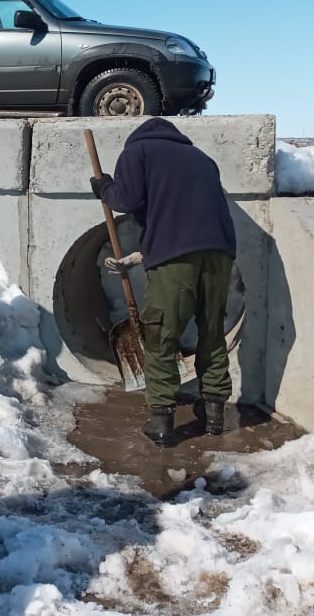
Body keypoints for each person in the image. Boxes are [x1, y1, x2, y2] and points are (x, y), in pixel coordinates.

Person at [90, 117, 237, 447]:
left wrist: (104, 189)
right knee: (212, 330)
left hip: (175, 262)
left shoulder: (137, 153)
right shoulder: (202, 159)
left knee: (161, 336)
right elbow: (179, 215)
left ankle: (161, 422)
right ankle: (213, 413)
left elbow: (125, 201)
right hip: (220, 252)